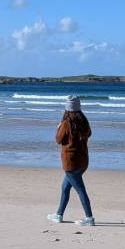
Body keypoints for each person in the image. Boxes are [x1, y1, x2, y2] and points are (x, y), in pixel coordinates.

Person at [47, 96, 95, 226]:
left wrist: (59, 128)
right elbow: (89, 134)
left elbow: (58, 140)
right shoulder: (84, 121)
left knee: (80, 189)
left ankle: (89, 218)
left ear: (67, 108)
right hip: (83, 160)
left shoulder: (67, 123)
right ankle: (58, 215)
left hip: (71, 163)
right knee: (65, 187)